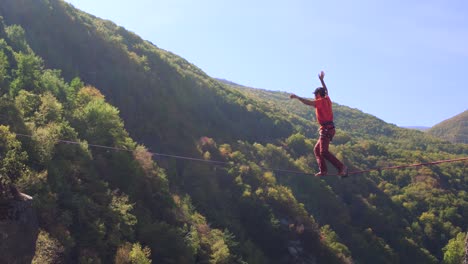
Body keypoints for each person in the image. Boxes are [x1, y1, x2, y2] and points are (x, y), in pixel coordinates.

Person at [290, 71, 348, 177]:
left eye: (315, 95)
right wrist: (322, 80)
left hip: (326, 129)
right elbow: (326, 91)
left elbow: (309, 103)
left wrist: (297, 97)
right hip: (329, 129)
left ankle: (341, 167)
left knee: (323, 152)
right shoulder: (327, 99)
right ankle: (323, 170)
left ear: (318, 95)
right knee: (317, 150)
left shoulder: (320, 101)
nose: (314, 97)